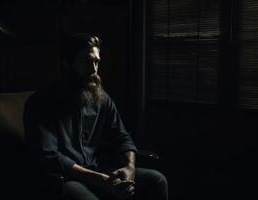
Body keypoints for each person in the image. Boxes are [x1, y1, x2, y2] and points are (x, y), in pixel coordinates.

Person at [24, 33, 168, 200]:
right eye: (86, 61)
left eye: (97, 62)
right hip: (65, 178)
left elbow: (122, 137)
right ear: (67, 63)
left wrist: (130, 167)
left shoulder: (101, 99)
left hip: (97, 170)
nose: (94, 69)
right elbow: (49, 156)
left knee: (157, 180)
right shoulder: (40, 103)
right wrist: (101, 180)